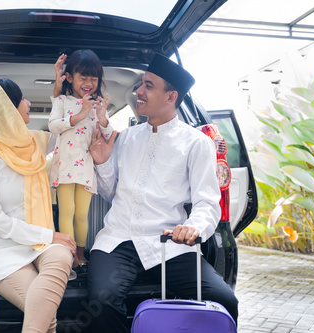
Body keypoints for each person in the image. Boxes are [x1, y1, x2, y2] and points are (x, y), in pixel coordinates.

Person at [86, 53, 239, 332]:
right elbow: (109, 193)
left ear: (171, 97)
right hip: (117, 241)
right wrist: (102, 162)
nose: (138, 92)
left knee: (223, 299)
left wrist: (193, 228)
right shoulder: (126, 138)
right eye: (141, 84)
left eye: (148, 86)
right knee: (101, 301)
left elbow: (208, 202)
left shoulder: (196, 143)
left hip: (169, 246)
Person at [0, 77, 76, 333]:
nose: (28, 103)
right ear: (6, 109)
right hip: (4, 250)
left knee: (62, 254)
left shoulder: (34, 142)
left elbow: (66, 128)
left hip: (42, 245)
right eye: (21, 99)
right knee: (45, 318)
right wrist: (50, 235)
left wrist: (60, 91)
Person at [48, 50, 113, 270]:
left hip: (86, 168)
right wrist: (80, 114)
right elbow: (53, 126)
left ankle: (82, 254)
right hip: (65, 167)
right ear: (70, 78)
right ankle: (69, 255)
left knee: (81, 214)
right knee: (66, 211)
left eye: (93, 78)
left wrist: (102, 117)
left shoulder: (97, 107)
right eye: (82, 77)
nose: (88, 83)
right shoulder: (62, 101)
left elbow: (106, 135)